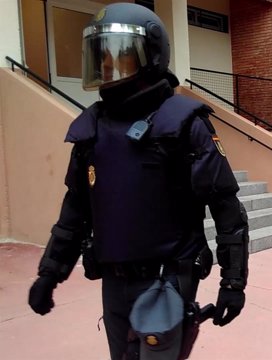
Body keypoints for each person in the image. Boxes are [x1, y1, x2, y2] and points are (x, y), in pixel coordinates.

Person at [27, 3, 250, 359]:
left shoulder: (182, 125)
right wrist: (50, 273)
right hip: (114, 281)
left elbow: (226, 208)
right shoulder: (92, 130)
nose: (107, 66)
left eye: (118, 55)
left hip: (167, 280)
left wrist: (233, 283)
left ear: (152, 57)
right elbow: (75, 210)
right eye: (100, 56)